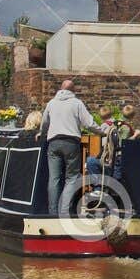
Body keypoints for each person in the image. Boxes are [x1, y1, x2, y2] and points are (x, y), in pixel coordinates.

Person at [41, 79, 97, 214]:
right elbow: (89, 124)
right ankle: (64, 212)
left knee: (53, 178)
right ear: (73, 91)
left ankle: (52, 212)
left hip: (53, 143)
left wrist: (41, 133)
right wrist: (103, 131)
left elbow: (44, 123)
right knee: (71, 178)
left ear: (61, 89)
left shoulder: (51, 103)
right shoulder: (77, 103)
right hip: (71, 144)